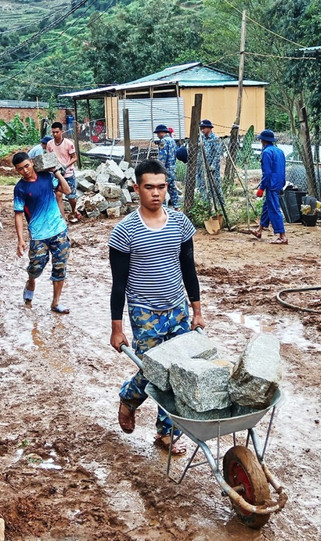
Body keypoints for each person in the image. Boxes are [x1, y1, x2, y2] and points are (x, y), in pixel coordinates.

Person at [109, 159, 205, 456]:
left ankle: (166, 433)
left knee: (177, 370)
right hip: (145, 311)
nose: (156, 194)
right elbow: (118, 283)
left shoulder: (180, 223)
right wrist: (117, 328)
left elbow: (189, 269)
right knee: (154, 370)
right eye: (149, 187)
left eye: (161, 187)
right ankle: (129, 397)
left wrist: (197, 310)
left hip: (177, 307)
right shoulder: (124, 232)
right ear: (137, 188)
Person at [12, 152, 72, 314]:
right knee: (35, 267)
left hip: (58, 230)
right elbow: (18, 215)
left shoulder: (46, 177)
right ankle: (31, 281)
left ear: (32, 163)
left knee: (60, 268)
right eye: (20, 169)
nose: (25, 170)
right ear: (17, 171)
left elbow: (66, 190)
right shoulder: (20, 189)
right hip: (38, 235)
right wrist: (20, 239)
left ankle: (55, 303)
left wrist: (56, 172)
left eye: (26, 166)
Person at [251, 130, 287, 244]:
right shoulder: (280, 151)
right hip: (279, 182)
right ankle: (259, 230)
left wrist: (262, 187)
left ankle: (282, 236)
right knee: (267, 207)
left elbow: (266, 173)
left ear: (263, 140)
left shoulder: (266, 152)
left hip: (271, 184)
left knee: (274, 209)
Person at [46, 122, 80, 223]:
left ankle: (73, 211)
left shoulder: (68, 144)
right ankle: (62, 218)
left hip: (68, 173)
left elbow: (74, 157)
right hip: (56, 173)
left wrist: (66, 165)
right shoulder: (50, 144)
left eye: (57, 132)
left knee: (71, 197)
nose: (55, 134)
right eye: (53, 132)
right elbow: (49, 158)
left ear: (61, 132)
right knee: (58, 195)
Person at [196, 119, 224, 205]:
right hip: (201, 167)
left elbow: (217, 154)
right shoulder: (201, 139)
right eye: (201, 128)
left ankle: (221, 205)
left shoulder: (215, 139)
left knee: (215, 187)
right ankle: (206, 204)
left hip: (212, 168)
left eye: (204, 128)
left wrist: (212, 166)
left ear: (209, 128)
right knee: (202, 186)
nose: (202, 130)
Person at [154, 124, 179, 209]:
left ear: (161, 132)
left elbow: (162, 157)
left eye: (158, 133)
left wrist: (158, 169)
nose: (157, 135)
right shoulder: (172, 140)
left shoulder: (163, 141)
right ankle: (177, 206)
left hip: (165, 170)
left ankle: (163, 206)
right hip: (172, 168)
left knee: (161, 187)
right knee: (172, 188)